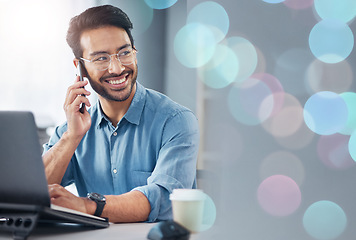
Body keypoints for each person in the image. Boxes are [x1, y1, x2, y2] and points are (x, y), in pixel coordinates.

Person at [42, 5, 199, 223]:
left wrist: (87, 205)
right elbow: (35, 193)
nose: (117, 68)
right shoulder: (72, 129)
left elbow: (165, 198)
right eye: (101, 58)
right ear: (80, 68)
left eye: (124, 53)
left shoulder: (176, 121)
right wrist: (71, 137)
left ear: (135, 52)